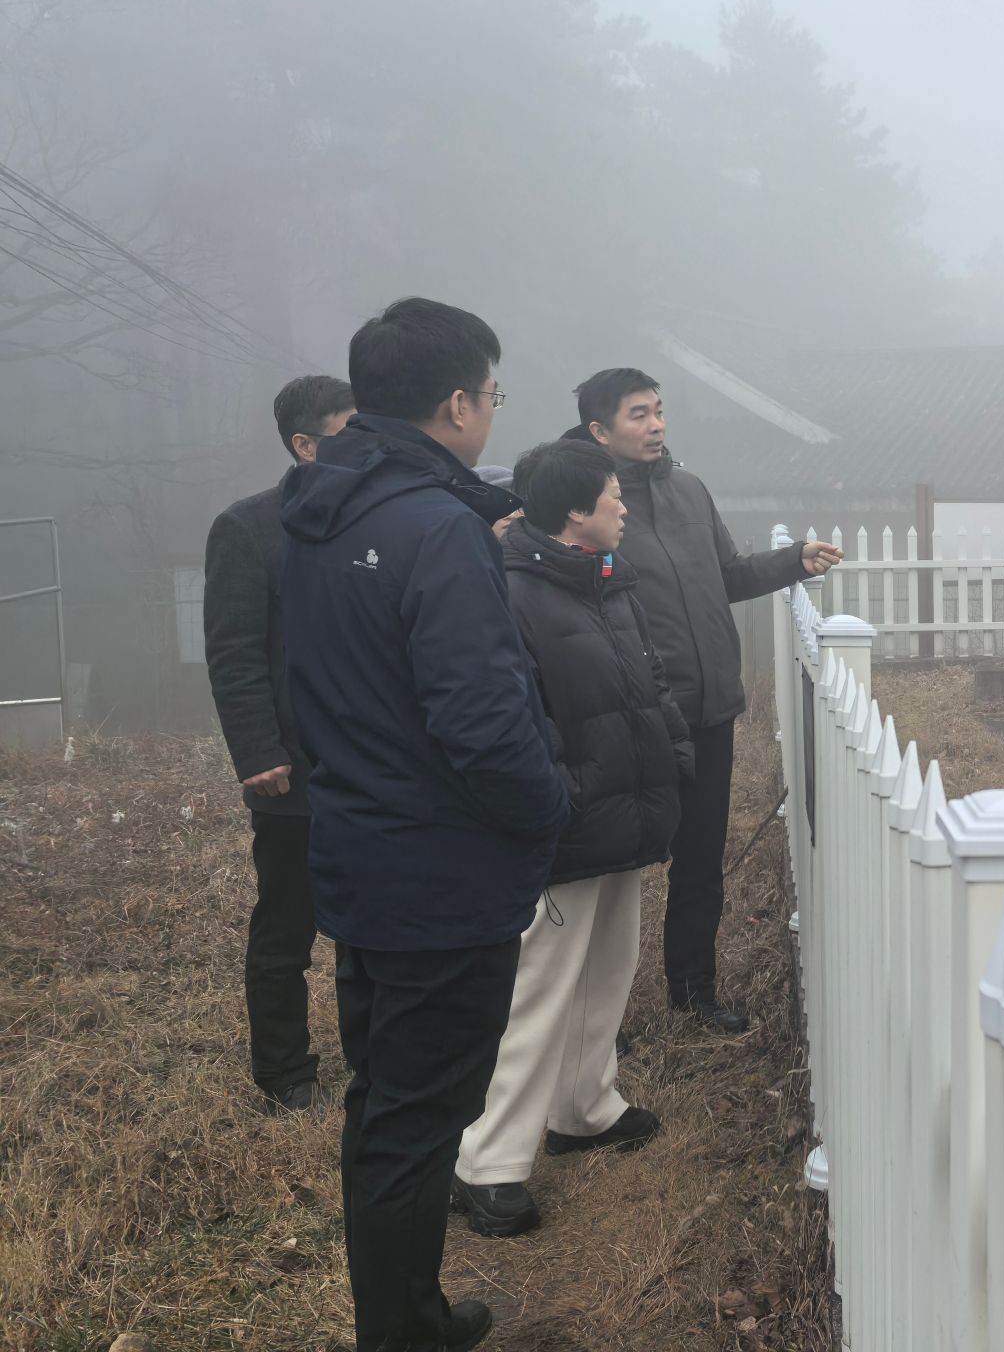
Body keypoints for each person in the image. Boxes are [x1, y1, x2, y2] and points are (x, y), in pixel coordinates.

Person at [281, 298, 569, 1352]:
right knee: (419, 1119)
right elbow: (482, 722)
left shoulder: (315, 512)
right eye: (492, 394)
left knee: (387, 1108)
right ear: (456, 403)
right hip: (441, 877)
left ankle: (408, 1316)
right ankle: (403, 1333)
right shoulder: (438, 528)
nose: (491, 411)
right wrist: (549, 812)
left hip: (361, 853)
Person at [451, 440, 694, 1238]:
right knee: (540, 988)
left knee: (607, 966)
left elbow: (651, 681)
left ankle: (584, 1108)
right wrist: (561, 796)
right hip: (568, 820)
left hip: (626, 810)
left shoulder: (607, 580)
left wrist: (674, 754)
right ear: (574, 512)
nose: (625, 505)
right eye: (613, 494)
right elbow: (513, 716)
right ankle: (485, 1162)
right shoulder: (512, 591)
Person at [565, 368, 840, 1032]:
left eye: (658, 411)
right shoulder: (580, 503)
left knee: (700, 861)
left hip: (709, 709)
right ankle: (591, 1021)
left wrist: (792, 560)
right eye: (638, 414)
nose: (656, 424)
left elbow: (728, 575)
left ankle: (695, 994)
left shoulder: (689, 489)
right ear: (599, 430)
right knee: (608, 867)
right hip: (633, 716)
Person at [202, 373, 356, 1113]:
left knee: (372, 923)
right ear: (306, 444)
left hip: (371, 762)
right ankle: (285, 1073)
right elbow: (234, 652)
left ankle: (373, 1052)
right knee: (287, 927)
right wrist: (260, 750)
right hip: (293, 769)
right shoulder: (249, 528)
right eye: (350, 432)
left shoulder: (374, 519)